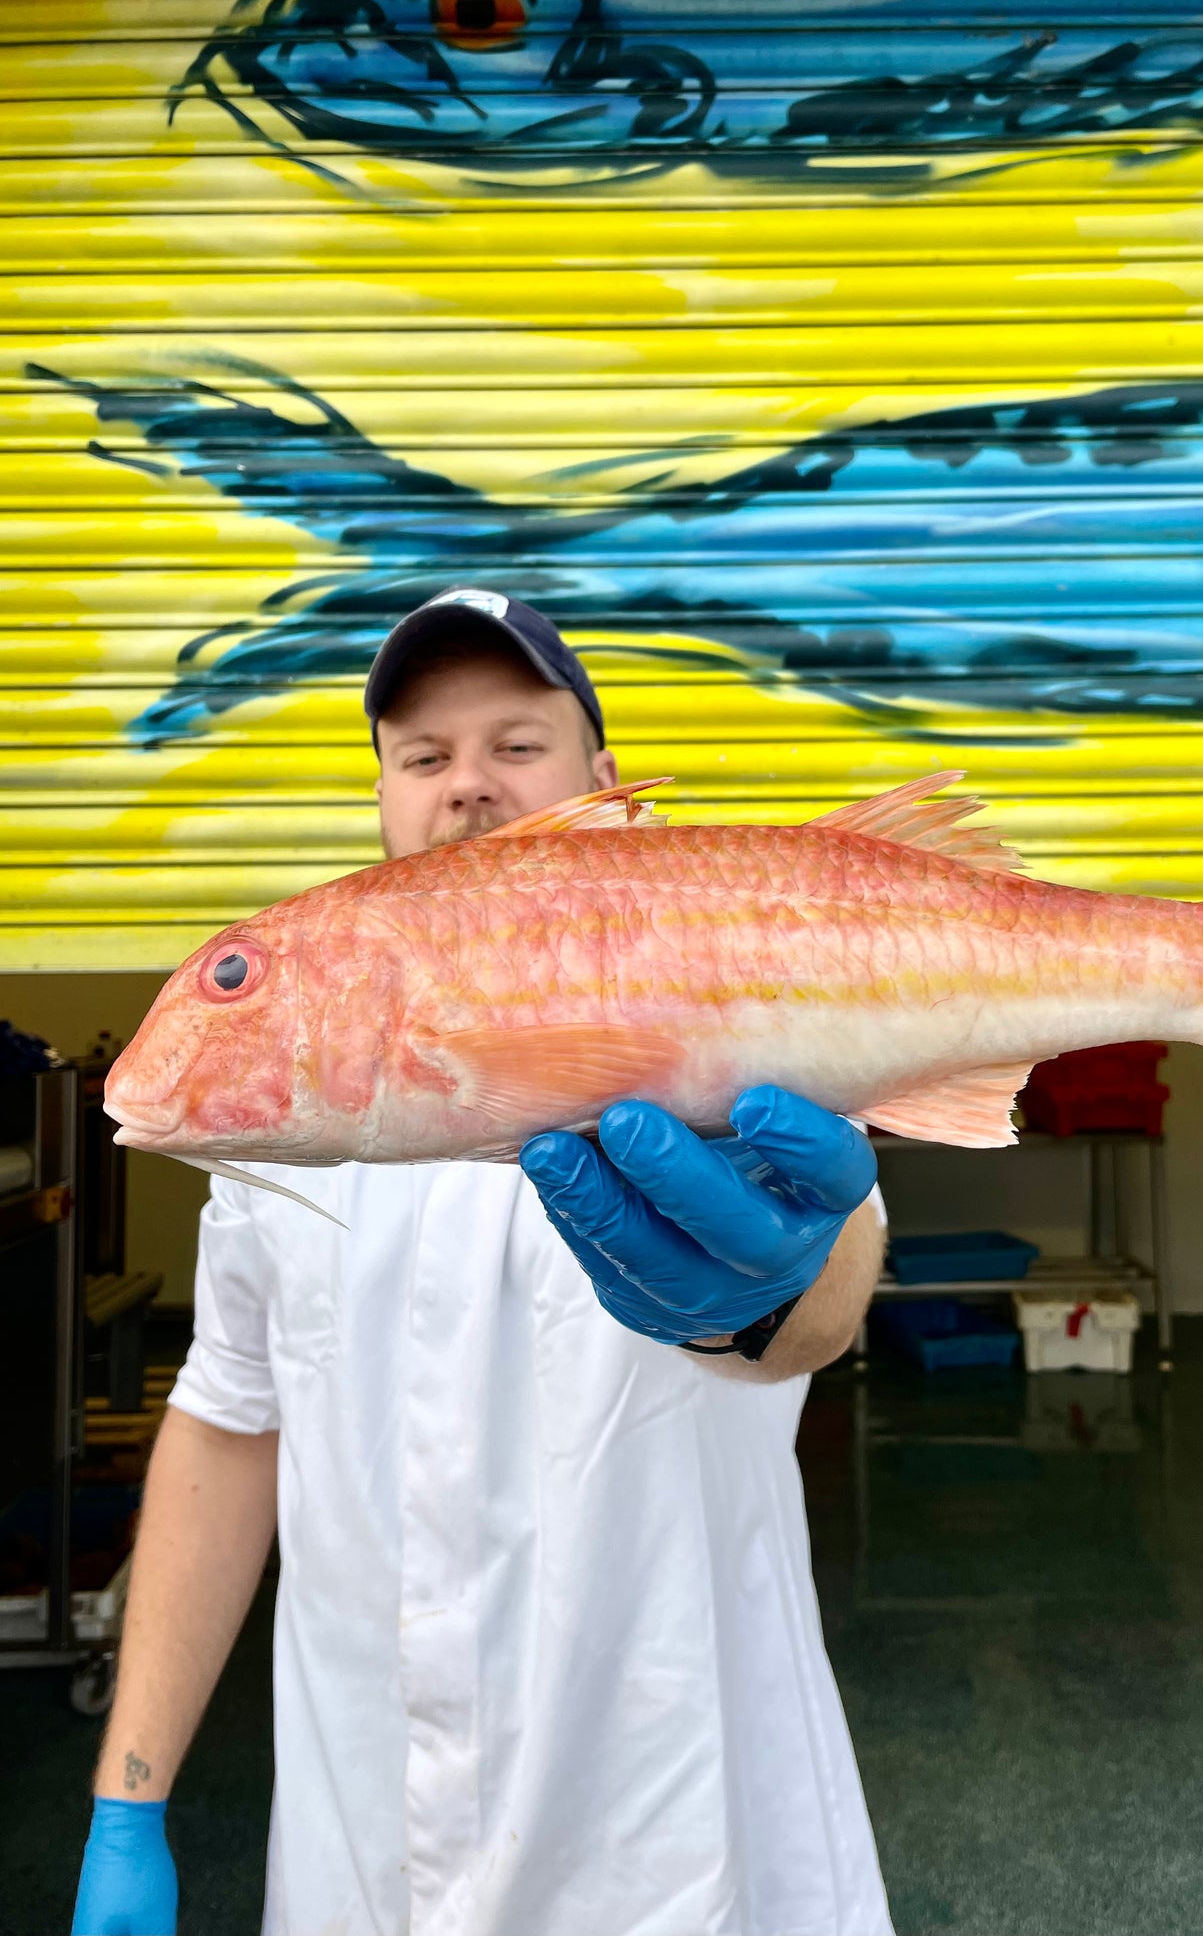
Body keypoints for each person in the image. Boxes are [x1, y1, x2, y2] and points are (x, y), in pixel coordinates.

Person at [73, 589, 893, 1936]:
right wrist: (129, 1799)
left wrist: (763, 1304)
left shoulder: (719, 1001)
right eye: (425, 755)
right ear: (385, 805)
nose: (467, 788)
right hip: (368, 1838)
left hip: (680, 1824)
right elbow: (230, 1423)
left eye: (518, 744)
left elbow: (833, 1294)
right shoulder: (293, 1103)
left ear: (609, 790)